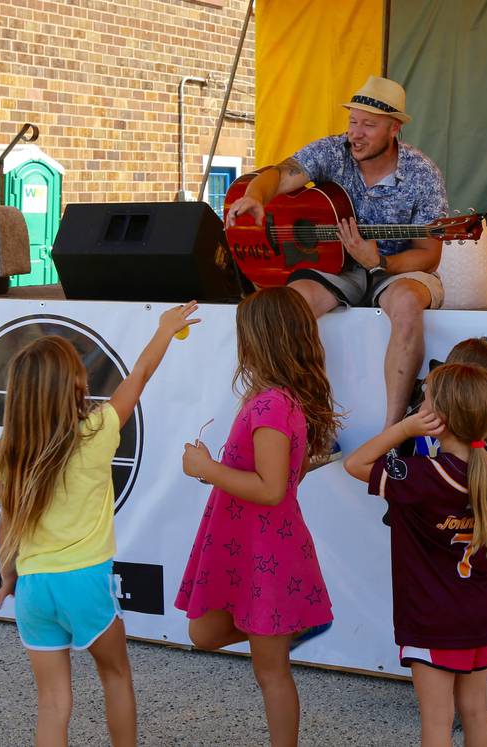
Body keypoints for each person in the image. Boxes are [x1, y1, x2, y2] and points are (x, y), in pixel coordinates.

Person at [0, 302, 201, 747]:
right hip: (83, 582)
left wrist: (8, 578)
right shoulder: (98, 431)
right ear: (75, 383)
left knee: (52, 704)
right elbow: (139, 375)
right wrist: (165, 330)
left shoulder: (10, 456)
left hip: (32, 588)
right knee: (116, 676)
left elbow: (7, 528)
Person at [226, 75, 449, 428]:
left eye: (369, 125)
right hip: (337, 266)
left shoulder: (423, 174)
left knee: (407, 304)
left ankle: (392, 431)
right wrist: (256, 195)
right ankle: (308, 424)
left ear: (393, 128)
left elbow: (429, 253)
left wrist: (380, 262)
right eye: (353, 121)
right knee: (289, 306)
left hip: (395, 266)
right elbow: (280, 174)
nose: (355, 134)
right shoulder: (332, 151)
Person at [177, 287, 340, 747]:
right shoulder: (277, 400)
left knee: (272, 673)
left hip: (267, 548)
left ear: (260, 340)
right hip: (248, 543)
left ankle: (286, 626)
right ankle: (288, 622)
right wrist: (222, 474)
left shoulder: (272, 405)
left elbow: (271, 489)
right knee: (203, 631)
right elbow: (282, 477)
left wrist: (207, 469)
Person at [344, 363, 487, 747]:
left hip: (432, 620)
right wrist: (475, 421)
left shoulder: (421, 476)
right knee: (477, 710)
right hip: (478, 616)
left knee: (438, 721)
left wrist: (405, 429)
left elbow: (354, 464)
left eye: (424, 401)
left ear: (437, 417)